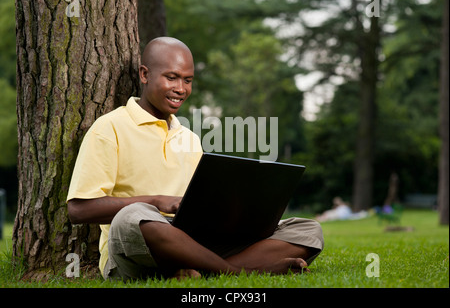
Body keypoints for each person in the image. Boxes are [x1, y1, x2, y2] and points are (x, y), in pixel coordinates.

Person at [67, 37, 324, 281]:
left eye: (188, 80)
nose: (181, 89)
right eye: (172, 77)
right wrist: (157, 201)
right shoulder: (110, 128)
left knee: (307, 230)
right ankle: (237, 271)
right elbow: (79, 209)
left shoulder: (189, 137)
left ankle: (203, 268)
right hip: (140, 249)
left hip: (192, 241)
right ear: (145, 75)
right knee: (132, 215)